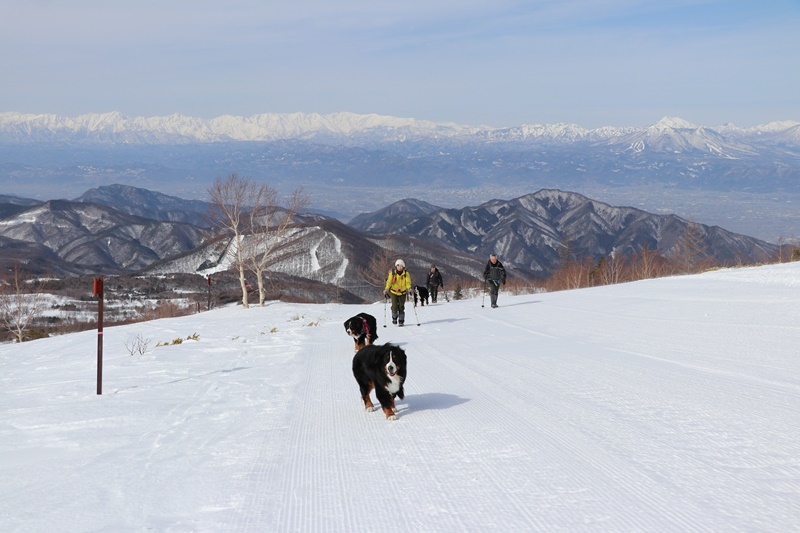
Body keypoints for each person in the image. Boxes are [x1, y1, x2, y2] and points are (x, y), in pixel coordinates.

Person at [384, 259, 412, 326]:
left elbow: (408, 282)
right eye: (398, 266)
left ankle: (401, 321)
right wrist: (386, 289)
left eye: (401, 266)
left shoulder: (406, 274)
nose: (399, 267)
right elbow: (389, 282)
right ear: (396, 266)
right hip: (394, 292)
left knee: (401, 307)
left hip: (402, 293)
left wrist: (409, 288)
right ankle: (394, 318)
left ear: (403, 267)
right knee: (394, 306)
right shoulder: (392, 273)